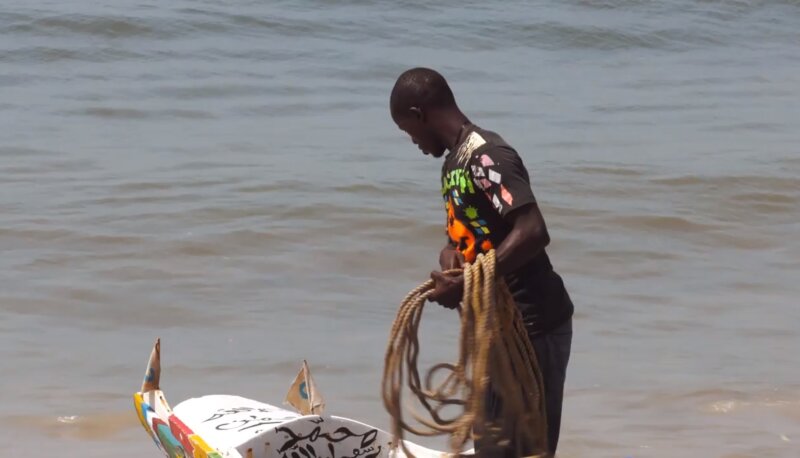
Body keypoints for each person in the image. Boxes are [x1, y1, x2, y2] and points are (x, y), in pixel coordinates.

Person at [389, 67, 574, 456]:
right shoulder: (453, 164)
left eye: (409, 132)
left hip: (533, 326)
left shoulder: (486, 156)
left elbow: (533, 230)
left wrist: (468, 283)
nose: (414, 143)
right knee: (491, 446)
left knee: (523, 449)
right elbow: (466, 233)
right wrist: (451, 256)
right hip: (497, 330)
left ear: (419, 113)